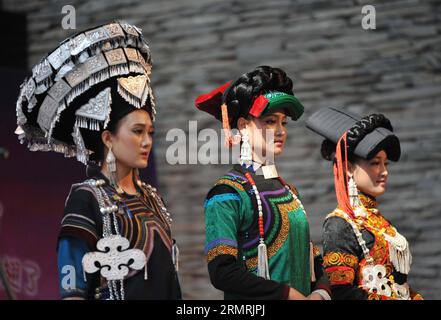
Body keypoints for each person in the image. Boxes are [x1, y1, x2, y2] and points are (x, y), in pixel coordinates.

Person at [15, 21, 181, 300]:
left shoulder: (153, 199)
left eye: (150, 132)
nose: (146, 141)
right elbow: (73, 291)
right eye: (137, 132)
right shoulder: (87, 198)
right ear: (108, 138)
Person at [194, 66, 331, 300]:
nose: (280, 131)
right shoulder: (227, 192)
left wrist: (320, 292)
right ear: (244, 126)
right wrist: (287, 295)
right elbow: (222, 272)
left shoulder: (289, 191)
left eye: (284, 123)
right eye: (269, 121)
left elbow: (312, 257)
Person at [306, 107, 423, 300]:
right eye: (376, 163)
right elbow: (340, 292)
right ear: (349, 168)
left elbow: (398, 285)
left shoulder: (379, 222)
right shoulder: (340, 224)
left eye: (386, 163)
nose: (384, 171)